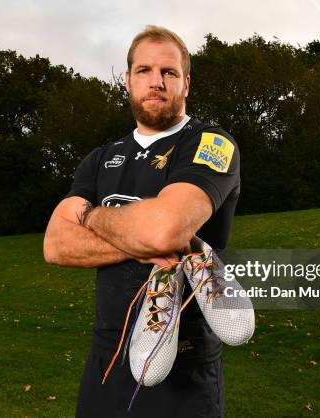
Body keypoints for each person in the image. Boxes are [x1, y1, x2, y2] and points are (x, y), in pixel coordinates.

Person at [43, 25, 240, 418]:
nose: (156, 81)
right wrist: (144, 233)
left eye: (168, 72)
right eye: (144, 71)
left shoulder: (211, 143)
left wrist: (88, 216)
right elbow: (55, 245)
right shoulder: (101, 158)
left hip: (183, 363)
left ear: (186, 83)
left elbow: (163, 230)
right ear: (128, 80)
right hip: (107, 355)